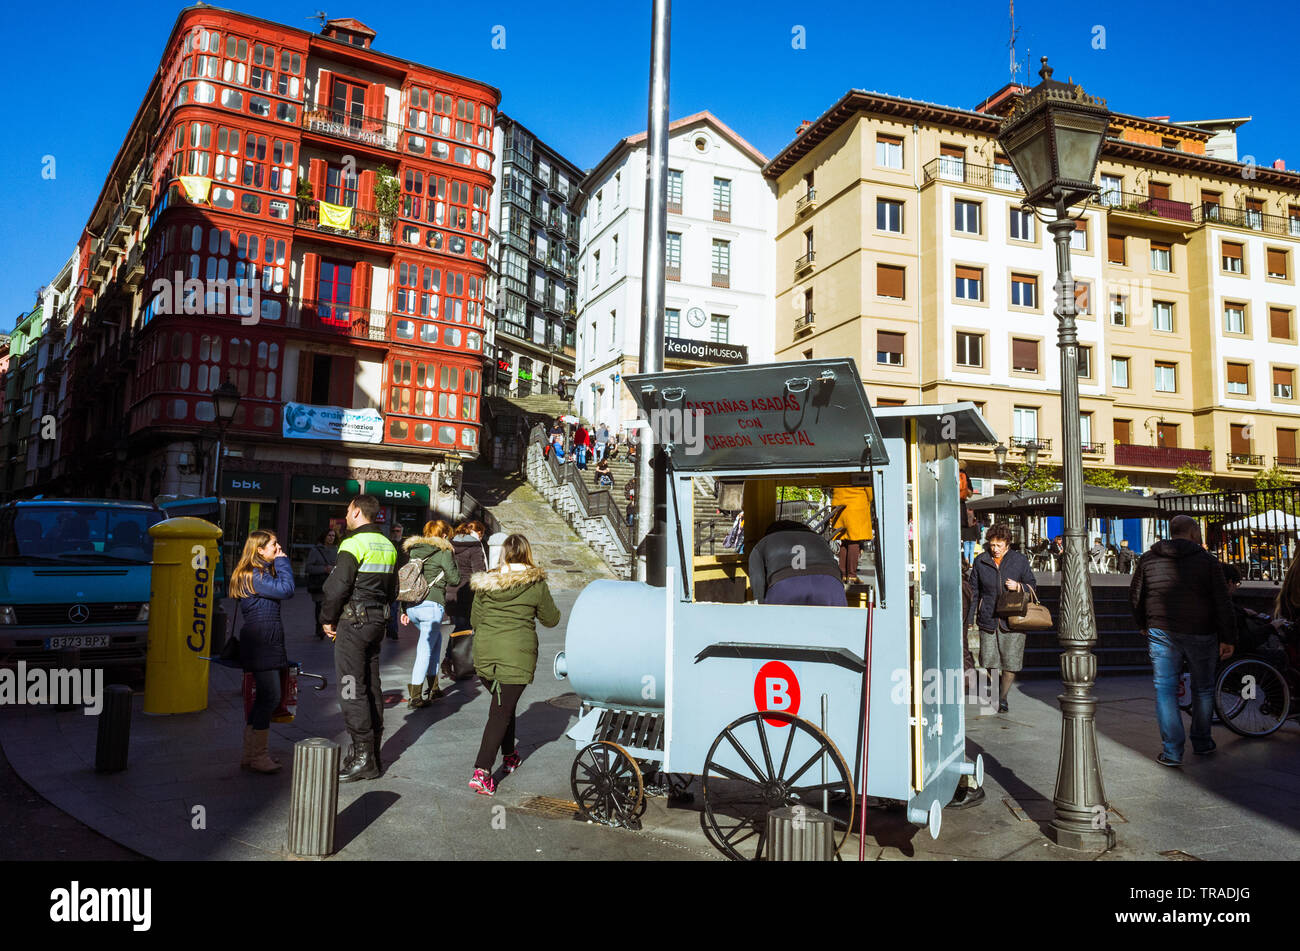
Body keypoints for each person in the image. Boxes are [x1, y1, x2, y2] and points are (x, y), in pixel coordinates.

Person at [1129, 515, 1235, 767]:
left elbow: (1135, 595)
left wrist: (1142, 623)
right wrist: (1229, 637)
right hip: (1202, 630)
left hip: (1161, 629)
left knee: (1165, 691)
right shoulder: (1208, 562)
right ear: (1193, 532)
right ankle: (1201, 741)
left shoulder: (1148, 558)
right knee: (1204, 688)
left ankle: (1172, 752)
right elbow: (1222, 601)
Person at [467, 534, 561, 795]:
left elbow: (475, 618)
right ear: (527, 553)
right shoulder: (536, 582)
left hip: (485, 653)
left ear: (504, 554)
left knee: (503, 706)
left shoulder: (486, 582)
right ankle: (482, 771)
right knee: (500, 711)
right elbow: (551, 619)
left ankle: (510, 756)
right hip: (516, 655)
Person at [321, 495, 399, 782]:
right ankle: (371, 753)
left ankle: (363, 757)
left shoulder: (353, 543)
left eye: (347, 509)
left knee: (351, 688)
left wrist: (327, 619)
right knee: (371, 685)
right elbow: (393, 590)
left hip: (353, 622)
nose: (346, 514)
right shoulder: (388, 545)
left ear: (355, 511)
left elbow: (336, 588)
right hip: (377, 621)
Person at [229, 530, 295, 774]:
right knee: (270, 696)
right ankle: (258, 755)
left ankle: (251, 754)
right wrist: (283, 561)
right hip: (261, 641)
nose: (277, 548)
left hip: (265, 639)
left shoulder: (257, 574)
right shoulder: (253, 576)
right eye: (273, 545)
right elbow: (287, 589)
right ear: (259, 549)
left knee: (264, 698)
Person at [966, 523, 1036, 713]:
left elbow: (1032, 584)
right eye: (992, 545)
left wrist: (1019, 586)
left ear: (1007, 544)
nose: (995, 549)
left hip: (1013, 619)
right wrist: (970, 617)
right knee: (989, 660)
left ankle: (1002, 698)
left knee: (1011, 661)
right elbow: (974, 592)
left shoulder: (1019, 560)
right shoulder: (981, 561)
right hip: (988, 617)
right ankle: (997, 689)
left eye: (999, 545)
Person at [400, 520, 460, 709]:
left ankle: (434, 688)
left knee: (435, 643)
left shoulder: (415, 550)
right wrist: (452, 559)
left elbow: (408, 579)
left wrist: (403, 609)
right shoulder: (443, 551)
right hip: (431, 606)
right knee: (425, 649)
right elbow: (454, 579)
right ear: (443, 536)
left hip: (413, 606)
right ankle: (416, 696)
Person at [747, 520, 847, 606]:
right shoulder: (820, 539)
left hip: (785, 586)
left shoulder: (763, 543)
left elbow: (757, 582)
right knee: (834, 627)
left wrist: (761, 604)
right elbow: (836, 569)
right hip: (831, 585)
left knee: (779, 627)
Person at [447, 520, 489, 636]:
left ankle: (451, 653)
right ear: (478, 533)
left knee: (459, 627)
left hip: (450, 592)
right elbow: (479, 573)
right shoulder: (475, 547)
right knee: (464, 629)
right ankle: (452, 653)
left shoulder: (450, 545)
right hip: (467, 593)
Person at [831, 486, 873, 584]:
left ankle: (843, 575)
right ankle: (852, 576)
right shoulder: (861, 471)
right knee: (854, 540)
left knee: (844, 540)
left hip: (839, 504)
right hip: (856, 505)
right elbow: (870, 492)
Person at [304, 528, 338, 639]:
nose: (331, 538)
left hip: (332, 583)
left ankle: (328, 625)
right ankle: (319, 628)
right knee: (319, 606)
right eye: (329, 535)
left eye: (333, 536)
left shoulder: (337, 550)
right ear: (324, 536)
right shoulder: (315, 550)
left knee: (330, 606)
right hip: (319, 583)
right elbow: (308, 567)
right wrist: (324, 569)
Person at [387, 523, 407, 640]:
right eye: (394, 531)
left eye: (398, 531)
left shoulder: (406, 545)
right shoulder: (388, 543)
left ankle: (392, 629)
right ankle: (392, 629)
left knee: (400, 606)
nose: (395, 533)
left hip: (403, 578)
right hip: (391, 579)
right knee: (392, 606)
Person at [958, 460, 978, 566]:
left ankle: (967, 560)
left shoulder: (950, 473)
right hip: (961, 503)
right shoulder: (965, 476)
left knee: (967, 549)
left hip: (951, 502)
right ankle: (969, 562)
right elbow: (970, 493)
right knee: (969, 549)